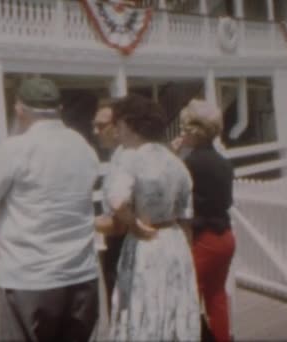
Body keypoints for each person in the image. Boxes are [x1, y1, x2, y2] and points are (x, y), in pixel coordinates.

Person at [0, 78, 101, 342]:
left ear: (20, 109)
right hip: (82, 275)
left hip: (32, 279)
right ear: (59, 109)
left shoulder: (15, 149)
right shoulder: (83, 147)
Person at [100, 94, 201, 341]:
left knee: (143, 310)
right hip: (174, 243)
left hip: (146, 242)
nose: (117, 130)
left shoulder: (131, 158)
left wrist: (133, 224)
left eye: (119, 123)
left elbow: (117, 201)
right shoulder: (175, 161)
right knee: (171, 311)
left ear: (129, 124)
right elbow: (186, 216)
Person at [173, 99, 236, 342]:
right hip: (225, 238)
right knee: (216, 297)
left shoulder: (189, 163)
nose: (182, 133)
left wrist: (175, 154)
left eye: (184, 129)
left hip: (203, 240)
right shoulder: (224, 163)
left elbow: (176, 196)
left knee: (187, 299)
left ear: (194, 131)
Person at [91, 98, 126, 316]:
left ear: (119, 126)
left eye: (101, 125)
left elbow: (120, 223)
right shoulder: (117, 157)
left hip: (122, 247)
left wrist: (83, 223)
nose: (96, 131)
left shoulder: (125, 161)